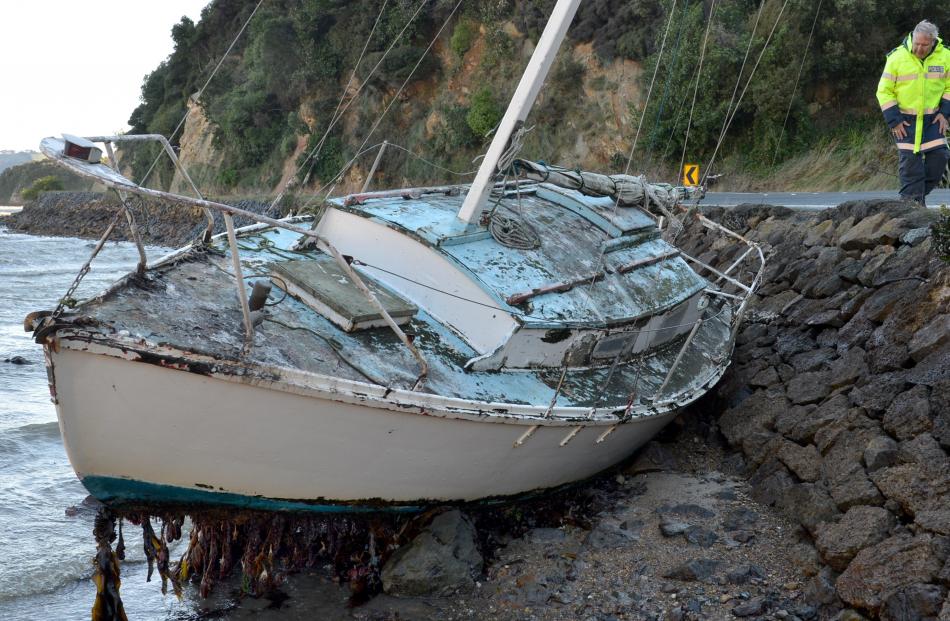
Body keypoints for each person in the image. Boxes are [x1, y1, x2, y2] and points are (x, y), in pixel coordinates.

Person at [876, 20, 950, 206]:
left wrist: (945, 113)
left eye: (924, 45)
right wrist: (894, 121)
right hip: (905, 122)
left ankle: (911, 200)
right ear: (912, 37)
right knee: (911, 168)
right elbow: (883, 91)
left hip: (933, 120)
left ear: (932, 42)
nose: (919, 48)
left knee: (939, 159)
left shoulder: (946, 56)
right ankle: (912, 206)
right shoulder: (896, 57)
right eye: (916, 43)